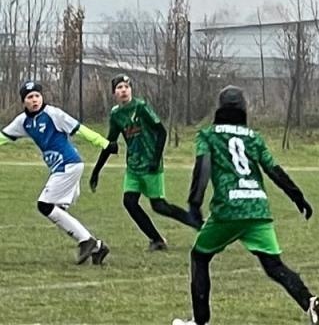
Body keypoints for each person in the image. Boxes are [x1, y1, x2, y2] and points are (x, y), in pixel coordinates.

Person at [173, 86, 319, 325]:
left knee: (199, 257)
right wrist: (297, 196)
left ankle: (201, 323)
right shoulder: (253, 137)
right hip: (257, 207)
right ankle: (310, 302)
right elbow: (273, 169)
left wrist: (194, 202)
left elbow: (203, 167)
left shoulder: (208, 135)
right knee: (274, 266)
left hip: (229, 208)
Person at [1, 79, 111, 264]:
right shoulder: (23, 121)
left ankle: (87, 241)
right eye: (30, 97)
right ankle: (98, 248)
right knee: (56, 210)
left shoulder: (53, 114)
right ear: (23, 101)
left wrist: (104, 143)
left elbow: (79, 129)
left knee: (45, 205)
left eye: (37, 96)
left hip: (68, 165)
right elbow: (3, 137)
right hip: (60, 168)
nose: (34, 100)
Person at [89, 74, 201, 250]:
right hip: (133, 167)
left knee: (159, 206)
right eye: (119, 87)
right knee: (129, 202)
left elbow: (162, 132)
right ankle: (156, 240)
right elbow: (109, 144)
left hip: (150, 165)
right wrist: (96, 171)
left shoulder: (140, 107)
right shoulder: (116, 114)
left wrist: (155, 159)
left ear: (131, 90)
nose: (124, 90)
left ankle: (198, 223)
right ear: (114, 93)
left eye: (126, 86)